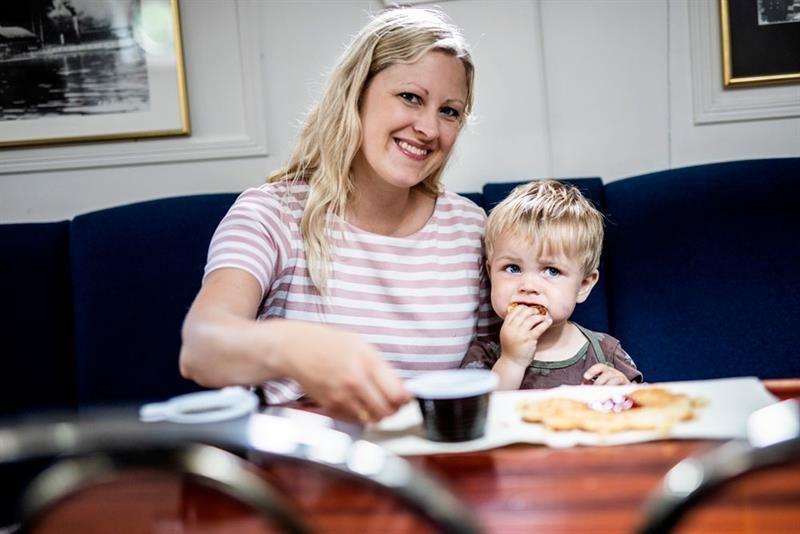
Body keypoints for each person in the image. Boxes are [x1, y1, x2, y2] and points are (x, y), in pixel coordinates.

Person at [179, 7, 495, 422]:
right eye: (411, 97)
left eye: (449, 111)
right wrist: (295, 348)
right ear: (356, 94)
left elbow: (500, 359)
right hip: (309, 474)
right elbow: (200, 348)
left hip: (434, 474)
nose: (429, 129)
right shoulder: (272, 215)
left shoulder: (470, 228)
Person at [461, 180, 642, 389]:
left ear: (584, 285)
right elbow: (479, 416)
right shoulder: (484, 354)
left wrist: (625, 389)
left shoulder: (607, 352)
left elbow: (649, 407)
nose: (528, 286)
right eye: (512, 268)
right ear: (491, 273)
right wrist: (511, 361)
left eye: (552, 271)